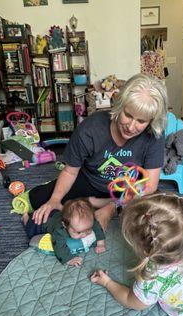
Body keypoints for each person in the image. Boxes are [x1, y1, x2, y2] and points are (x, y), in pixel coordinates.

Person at [30, 73, 168, 229]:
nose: (131, 127)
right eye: (128, 115)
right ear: (119, 105)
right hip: (91, 180)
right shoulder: (90, 128)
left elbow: (149, 186)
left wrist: (111, 208)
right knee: (38, 200)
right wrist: (55, 199)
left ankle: (95, 202)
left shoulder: (155, 134)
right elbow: (70, 172)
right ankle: (89, 200)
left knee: (161, 217)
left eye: (141, 121)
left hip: (131, 189)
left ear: (151, 121)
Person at [23, 198, 106, 266]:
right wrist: (69, 259)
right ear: (65, 225)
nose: (84, 235)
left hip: (56, 214)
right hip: (40, 223)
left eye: (88, 230)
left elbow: (96, 226)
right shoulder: (59, 231)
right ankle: (26, 218)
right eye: (79, 232)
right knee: (30, 231)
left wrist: (100, 243)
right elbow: (59, 246)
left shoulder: (89, 221)